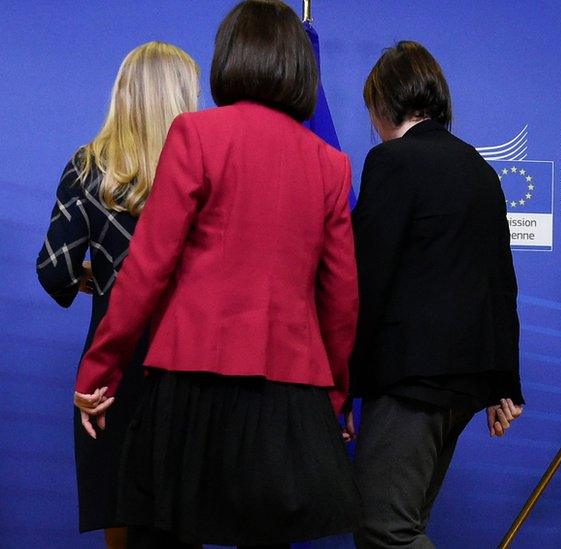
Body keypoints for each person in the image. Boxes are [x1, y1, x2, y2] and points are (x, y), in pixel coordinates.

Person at [71, 1, 360, 547]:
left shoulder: (197, 135)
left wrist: (99, 371)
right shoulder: (329, 164)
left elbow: (148, 269)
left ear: (229, 57)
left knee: (167, 536)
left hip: (192, 379)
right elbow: (341, 299)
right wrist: (337, 396)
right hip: (289, 388)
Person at [350, 40, 525, 548]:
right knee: (406, 525)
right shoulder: (479, 169)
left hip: (412, 381)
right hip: (465, 385)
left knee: (386, 529)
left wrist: (344, 383)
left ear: (382, 104)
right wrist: (503, 383)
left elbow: (369, 280)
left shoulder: (392, 161)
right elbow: (501, 283)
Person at [36, 41, 199, 549]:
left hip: (113, 366)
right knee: (183, 519)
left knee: (121, 514)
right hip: (188, 361)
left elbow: (53, 270)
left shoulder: (87, 167)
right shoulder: (205, 172)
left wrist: (99, 278)